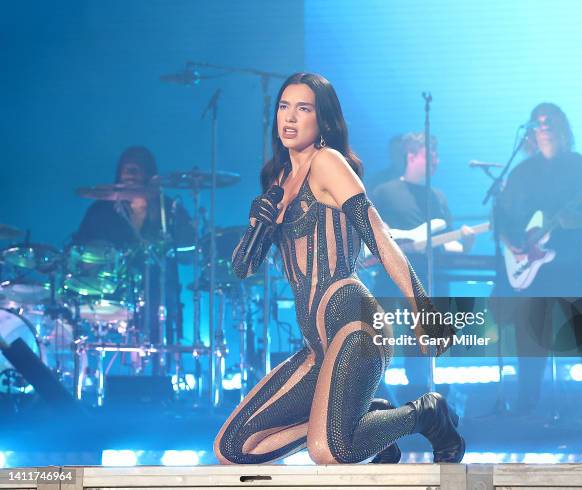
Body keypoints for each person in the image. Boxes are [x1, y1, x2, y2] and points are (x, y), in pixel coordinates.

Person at [214, 73, 464, 465]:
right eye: (284, 107)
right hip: (317, 346)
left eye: (303, 108)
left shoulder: (328, 163)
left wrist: (424, 307)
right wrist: (258, 224)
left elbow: (379, 235)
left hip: (356, 324)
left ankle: (427, 414)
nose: (290, 118)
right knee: (232, 449)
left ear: (323, 120)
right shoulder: (277, 180)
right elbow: (243, 268)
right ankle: (366, 421)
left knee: (329, 450)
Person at [496, 103, 582, 419]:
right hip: (532, 272)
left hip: (571, 267)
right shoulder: (521, 172)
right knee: (530, 341)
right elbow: (502, 220)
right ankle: (526, 412)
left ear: (562, 127)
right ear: (531, 131)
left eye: (550, 121)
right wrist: (517, 247)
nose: (543, 126)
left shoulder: (581, 167)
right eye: (538, 122)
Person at [73, 146, 193, 349]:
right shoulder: (101, 210)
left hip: (158, 297)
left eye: (136, 169)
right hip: (108, 297)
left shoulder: (169, 209)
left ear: (149, 175)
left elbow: (188, 252)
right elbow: (81, 256)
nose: (130, 173)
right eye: (126, 169)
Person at [371, 132, 476, 295]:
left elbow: (448, 244)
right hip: (393, 282)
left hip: (433, 284)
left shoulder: (438, 197)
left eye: (437, 155)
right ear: (411, 156)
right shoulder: (384, 191)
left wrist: (467, 244)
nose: (435, 160)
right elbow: (364, 232)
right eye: (429, 155)